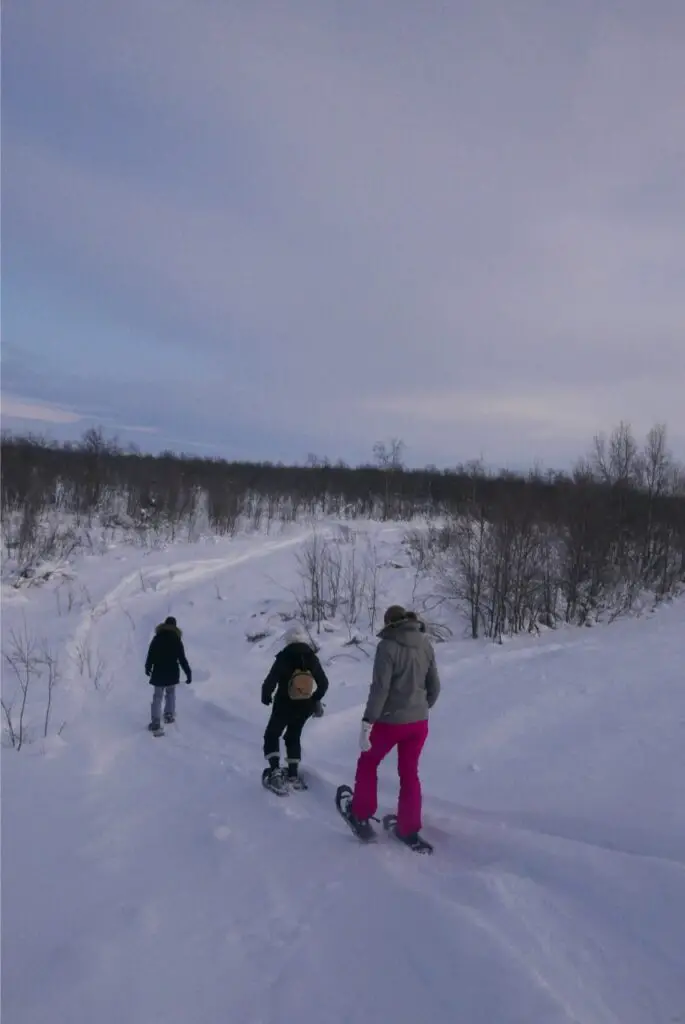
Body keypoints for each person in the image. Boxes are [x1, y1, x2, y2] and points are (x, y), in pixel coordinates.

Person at [344, 605, 440, 849]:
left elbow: (380, 688)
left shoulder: (387, 646)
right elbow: (435, 686)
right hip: (418, 723)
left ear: (389, 623)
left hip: (390, 722)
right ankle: (408, 829)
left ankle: (361, 815)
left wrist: (368, 722)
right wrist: (420, 708)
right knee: (409, 773)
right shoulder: (425, 645)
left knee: (368, 762)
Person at [261, 626, 329, 793]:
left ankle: (275, 772)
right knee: (293, 736)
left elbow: (271, 680)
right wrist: (314, 699)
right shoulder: (311, 657)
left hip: (284, 703)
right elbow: (324, 683)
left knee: (272, 734)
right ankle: (293, 774)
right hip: (304, 706)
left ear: (288, 639)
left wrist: (266, 696)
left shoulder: (284, 657)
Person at [144, 616, 192, 731]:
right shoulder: (176, 640)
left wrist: (148, 667)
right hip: (172, 672)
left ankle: (155, 722)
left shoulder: (157, 638)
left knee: (157, 697)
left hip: (158, 672)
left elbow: (150, 654)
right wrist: (188, 673)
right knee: (170, 694)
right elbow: (182, 659)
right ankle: (169, 715)